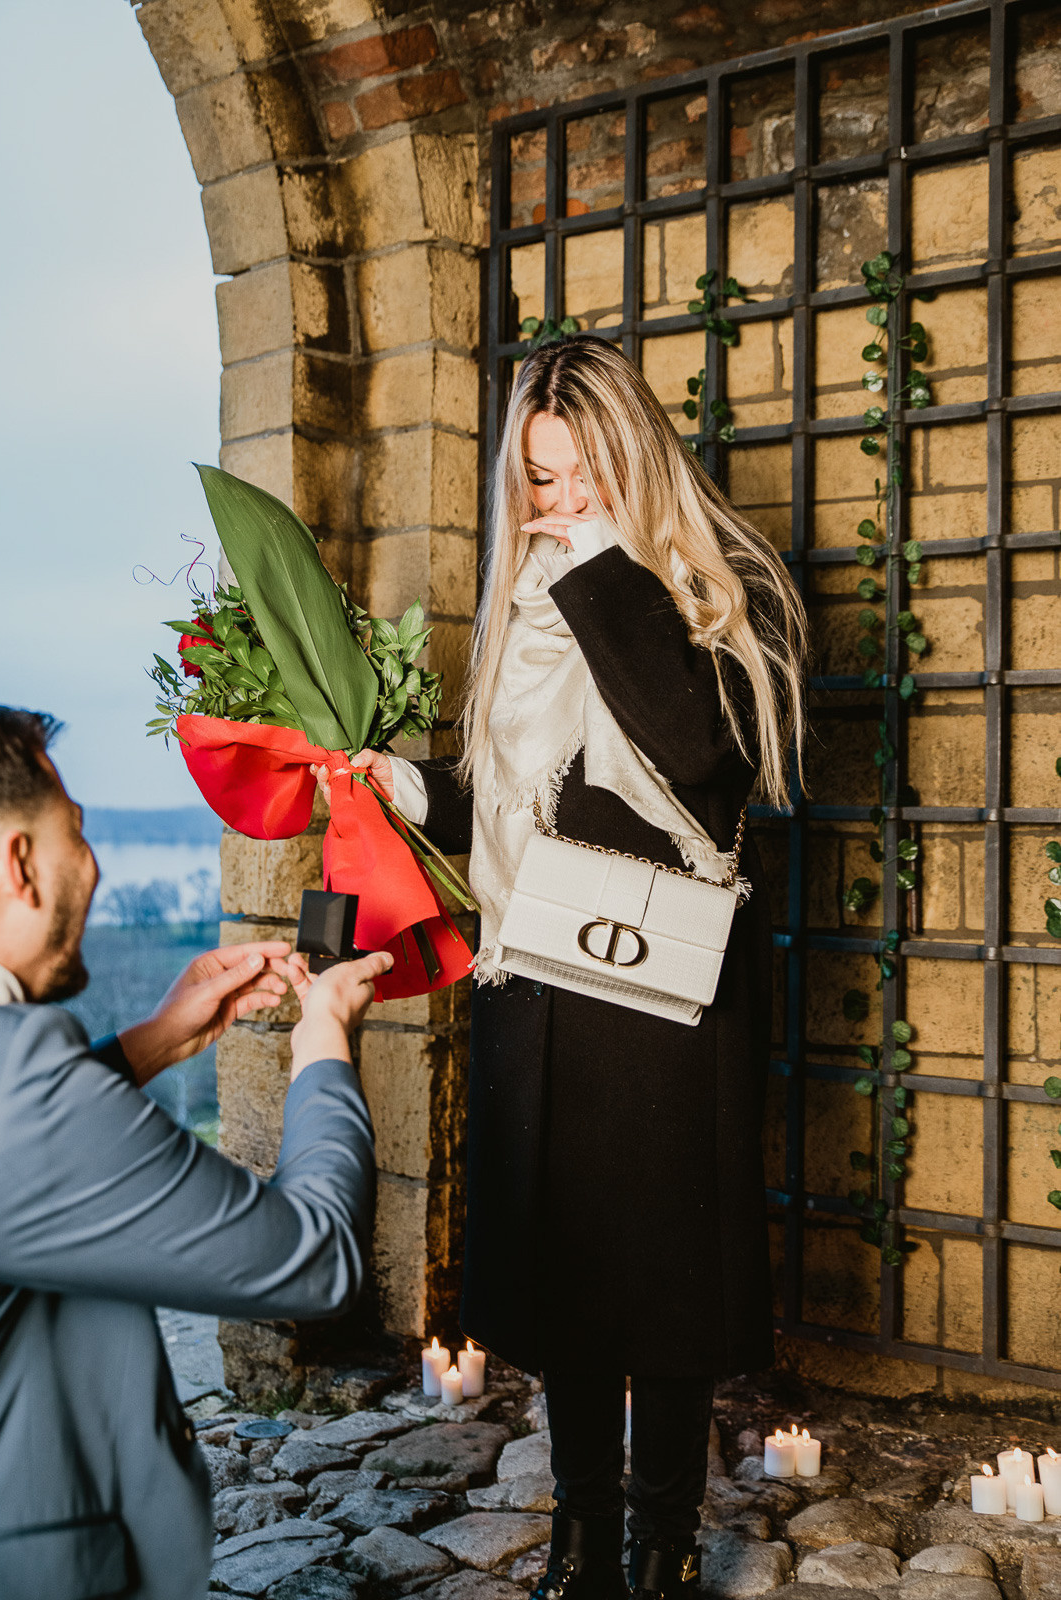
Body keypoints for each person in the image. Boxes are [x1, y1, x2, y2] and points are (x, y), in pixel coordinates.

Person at [315, 333, 808, 1600]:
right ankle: (585, 1538)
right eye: (539, 480)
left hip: (662, 995)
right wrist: (406, 784)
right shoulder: (529, 606)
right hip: (544, 987)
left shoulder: (710, 587)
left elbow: (702, 759)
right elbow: (513, 799)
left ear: (634, 458)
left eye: (584, 470)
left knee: (668, 1290)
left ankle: (664, 1541)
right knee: (578, 1280)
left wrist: (595, 570)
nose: (562, 502)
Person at [0, 704, 392, 1600]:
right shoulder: (17, 1082)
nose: (92, 867)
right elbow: (317, 1259)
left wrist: (154, 1043)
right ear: (20, 865)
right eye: (79, 835)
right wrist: (323, 1043)